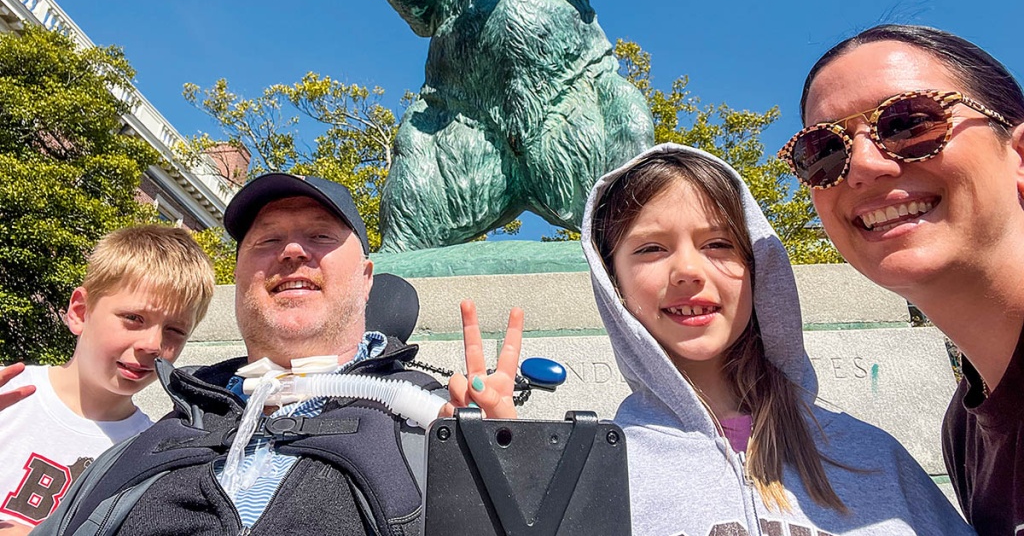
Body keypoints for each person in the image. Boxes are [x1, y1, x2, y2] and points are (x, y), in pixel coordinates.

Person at [32, 173, 522, 535]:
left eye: (320, 236)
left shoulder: (435, 427)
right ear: (240, 279)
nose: (291, 250)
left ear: (367, 279)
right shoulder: (143, 446)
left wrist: (513, 472)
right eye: (267, 239)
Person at [581, 144, 971, 536]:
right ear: (612, 281)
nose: (687, 270)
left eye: (718, 244)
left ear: (756, 269)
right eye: (651, 248)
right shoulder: (589, 480)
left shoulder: (875, 457)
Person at [781, 23, 1024, 535]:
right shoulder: (965, 433)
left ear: (1019, 155)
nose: (863, 167)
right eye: (823, 150)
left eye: (909, 121)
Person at [0, 225, 215, 533]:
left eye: (175, 331)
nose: (153, 344)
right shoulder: (10, 397)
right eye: (133, 318)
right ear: (79, 312)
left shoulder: (152, 453)